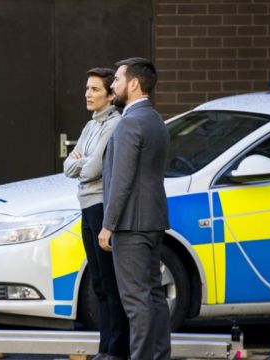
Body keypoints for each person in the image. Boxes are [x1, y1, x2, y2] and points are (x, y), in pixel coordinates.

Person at [98, 57, 171, 359]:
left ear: (133, 83)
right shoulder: (155, 120)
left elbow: (122, 180)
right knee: (154, 296)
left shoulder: (130, 122)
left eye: (116, 79)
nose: (112, 85)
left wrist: (108, 225)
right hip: (153, 220)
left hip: (130, 224)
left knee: (136, 301)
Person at [63, 68, 129, 360]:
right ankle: (105, 348)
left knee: (111, 283)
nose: (88, 94)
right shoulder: (91, 126)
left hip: (101, 205)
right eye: (87, 88)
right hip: (86, 205)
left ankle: (116, 349)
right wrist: (80, 162)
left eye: (95, 89)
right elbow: (68, 167)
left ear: (111, 95)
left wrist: (81, 162)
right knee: (99, 284)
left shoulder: (114, 125)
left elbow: (91, 169)